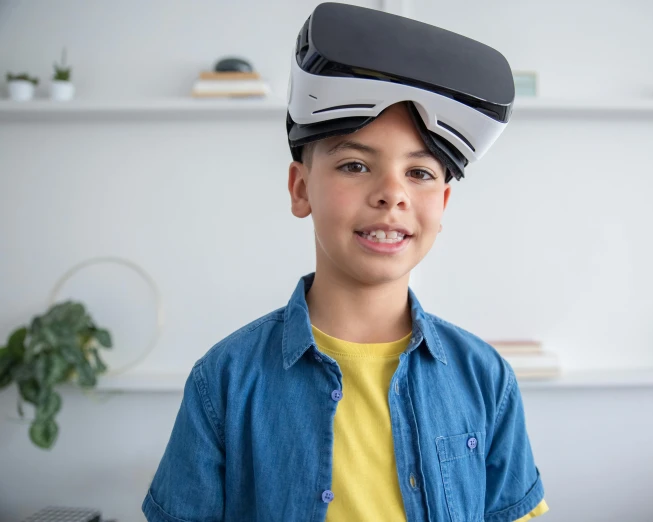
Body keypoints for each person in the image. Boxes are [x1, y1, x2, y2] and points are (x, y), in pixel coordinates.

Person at [142, 3, 547, 521]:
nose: (391, 194)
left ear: (442, 206)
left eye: (420, 173)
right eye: (355, 165)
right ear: (300, 188)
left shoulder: (486, 378)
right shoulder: (223, 381)